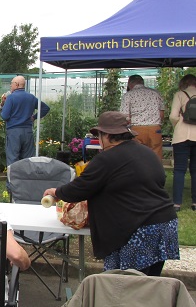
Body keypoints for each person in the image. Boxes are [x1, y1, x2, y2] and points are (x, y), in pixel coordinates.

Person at [43, 111, 179, 276]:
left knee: (123, 289)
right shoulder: (147, 153)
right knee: (148, 288)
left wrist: (57, 192)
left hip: (138, 229)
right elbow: (159, 179)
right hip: (164, 224)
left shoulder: (106, 159)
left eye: (99, 135)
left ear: (106, 135)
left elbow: (80, 189)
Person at [0, 76, 50, 166]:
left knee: (13, 158)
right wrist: (34, 117)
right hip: (27, 131)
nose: (10, 86)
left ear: (17, 84)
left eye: (11, 84)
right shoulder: (31, 97)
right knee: (28, 159)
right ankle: (27, 179)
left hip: (14, 131)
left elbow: (4, 116)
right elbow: (45, 108)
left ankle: (12, 180)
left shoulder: (11, 98)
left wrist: (2, 106)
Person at [120, 74, 165, 160]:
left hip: (137, 130)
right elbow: (161, 114)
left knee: (138, 156)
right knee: (156, 157)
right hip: (155, 129)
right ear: (142, 82)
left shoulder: (128, 95)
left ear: (129, 84)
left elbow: (125, 117)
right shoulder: (156, 93)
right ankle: (155, 172)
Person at [169, 73, 196, 212]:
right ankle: (195, 202)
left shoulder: (179, 94)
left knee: (179, 170)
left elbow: (173, 115)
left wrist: (178, 124)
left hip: (182, 136)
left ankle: (177, 203)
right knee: (195, 169)